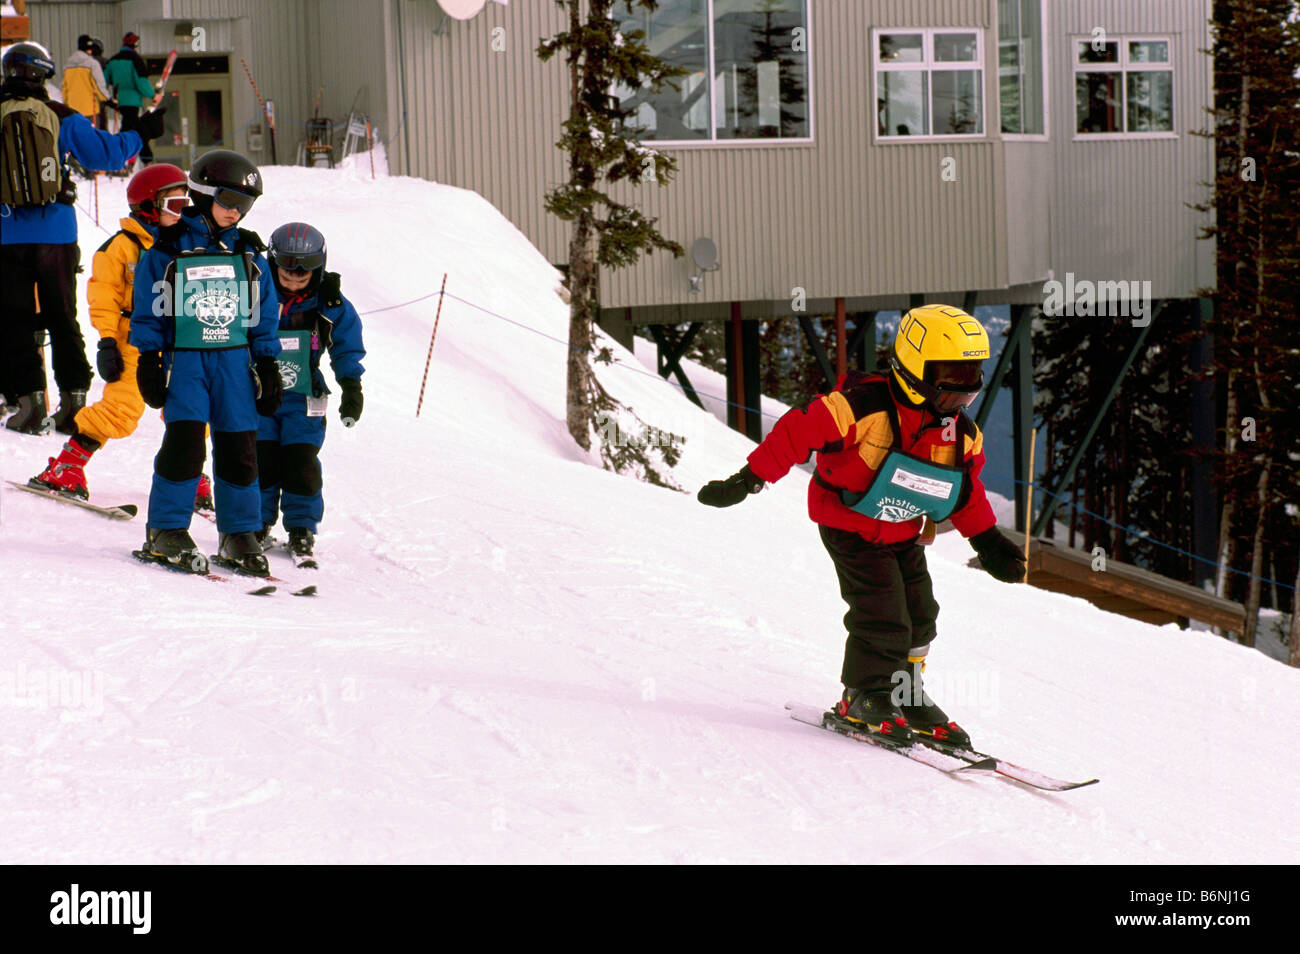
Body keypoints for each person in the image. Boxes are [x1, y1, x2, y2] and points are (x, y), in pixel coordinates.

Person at [697, 305, 1028, 748]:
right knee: (882, 610)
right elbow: (796, 433)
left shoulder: (958, 434)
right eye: (951, 380)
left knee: (920, 613)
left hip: (903, 528)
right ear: (915, 369)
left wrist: (988, 542)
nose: (959, 397)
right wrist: (749, 479)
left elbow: (964, 491)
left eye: (970, 383)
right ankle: (863, 693)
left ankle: (906, 694)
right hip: (850, 526)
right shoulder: (859, 407)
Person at [129, 149, 283, 577]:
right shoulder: (167, 249)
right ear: (203, 192)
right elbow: (149, 310)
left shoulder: (249, 255)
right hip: (188, 362)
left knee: (240, 449)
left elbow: (263, 313)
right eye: (229, 201)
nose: (236, 212)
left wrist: (268, 365)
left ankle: (239, 533)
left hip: (235, 363)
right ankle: (166, 529)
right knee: (185, 445)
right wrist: (149, 359)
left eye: (245, 205)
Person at [28, 162, 211, 514]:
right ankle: (66, 467)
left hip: (182, 340)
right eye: (173, 205)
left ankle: (191, 475)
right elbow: (103, 296)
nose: (182, 212)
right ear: (148, 206)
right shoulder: (121, 248)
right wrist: (108, 341)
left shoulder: (187, 242)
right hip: (135, 340)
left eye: (185, 204)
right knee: (122, 409)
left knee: (192, 408)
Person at [1, 41, 163, 435]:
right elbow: (106, 156)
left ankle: (28, 405)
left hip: (6, 232)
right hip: (55, 232)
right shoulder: (61, 116)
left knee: (15, 320)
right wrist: (138, 132)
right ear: (44, 76)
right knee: (61, 316)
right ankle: (73, 401)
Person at [255, 223, 366, 565]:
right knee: (262, 460)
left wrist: (351, 385)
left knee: (301, 462)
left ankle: (302, 526)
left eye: (302, 277)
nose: (292, 282)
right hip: (260, 393)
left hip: (304, 396)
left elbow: (346, 345)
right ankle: (257, 523)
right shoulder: (256, 290)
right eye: (286, 275)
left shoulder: (328, 302)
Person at [103, 32, 158, 167]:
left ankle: (127, 160)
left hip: (120, 101)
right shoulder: (135, 60)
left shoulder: (113, 60)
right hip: (133, 101)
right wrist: (153, 95)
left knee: (128, 127)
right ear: (135, 45)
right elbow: (141, 82)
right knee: (137, 130)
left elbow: (104, 79)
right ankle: (142, 159)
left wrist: (109, 97)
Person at [62, 35, 112, 125]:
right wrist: (108, 100)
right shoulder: (92, 64)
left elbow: (64, 88)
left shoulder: (68, 65)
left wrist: (65, 104)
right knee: (91, 137)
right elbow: (99, 86)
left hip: (72, 111)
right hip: (89, 110)